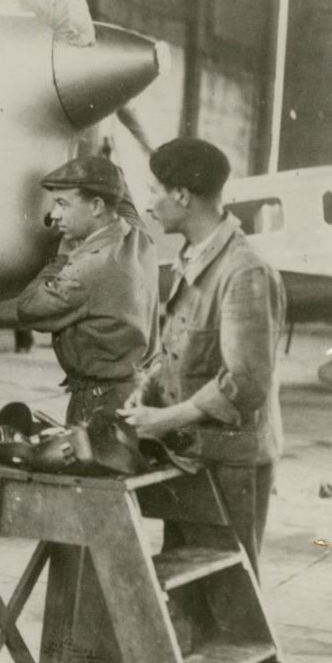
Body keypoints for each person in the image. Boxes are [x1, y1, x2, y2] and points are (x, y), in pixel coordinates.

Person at [119, 137, 286, 576]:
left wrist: (166, 419)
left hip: (232, 463)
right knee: (190, 587)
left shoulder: (243, 270)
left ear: (181, 195)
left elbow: (246, 381)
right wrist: (149, 390)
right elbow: (185, 346)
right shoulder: (195, 257)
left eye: (153, 190)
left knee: (230, 590)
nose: (148, 203)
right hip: (194, 454)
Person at [17, 155, 158, 424]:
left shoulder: (86, 270)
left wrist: (59, 260)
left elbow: (27, 308)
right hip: (134, 391)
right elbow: (119, 190)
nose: (54, 215)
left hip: (99, 406)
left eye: (62, 204)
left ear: (96, 206)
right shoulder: (139, 236)